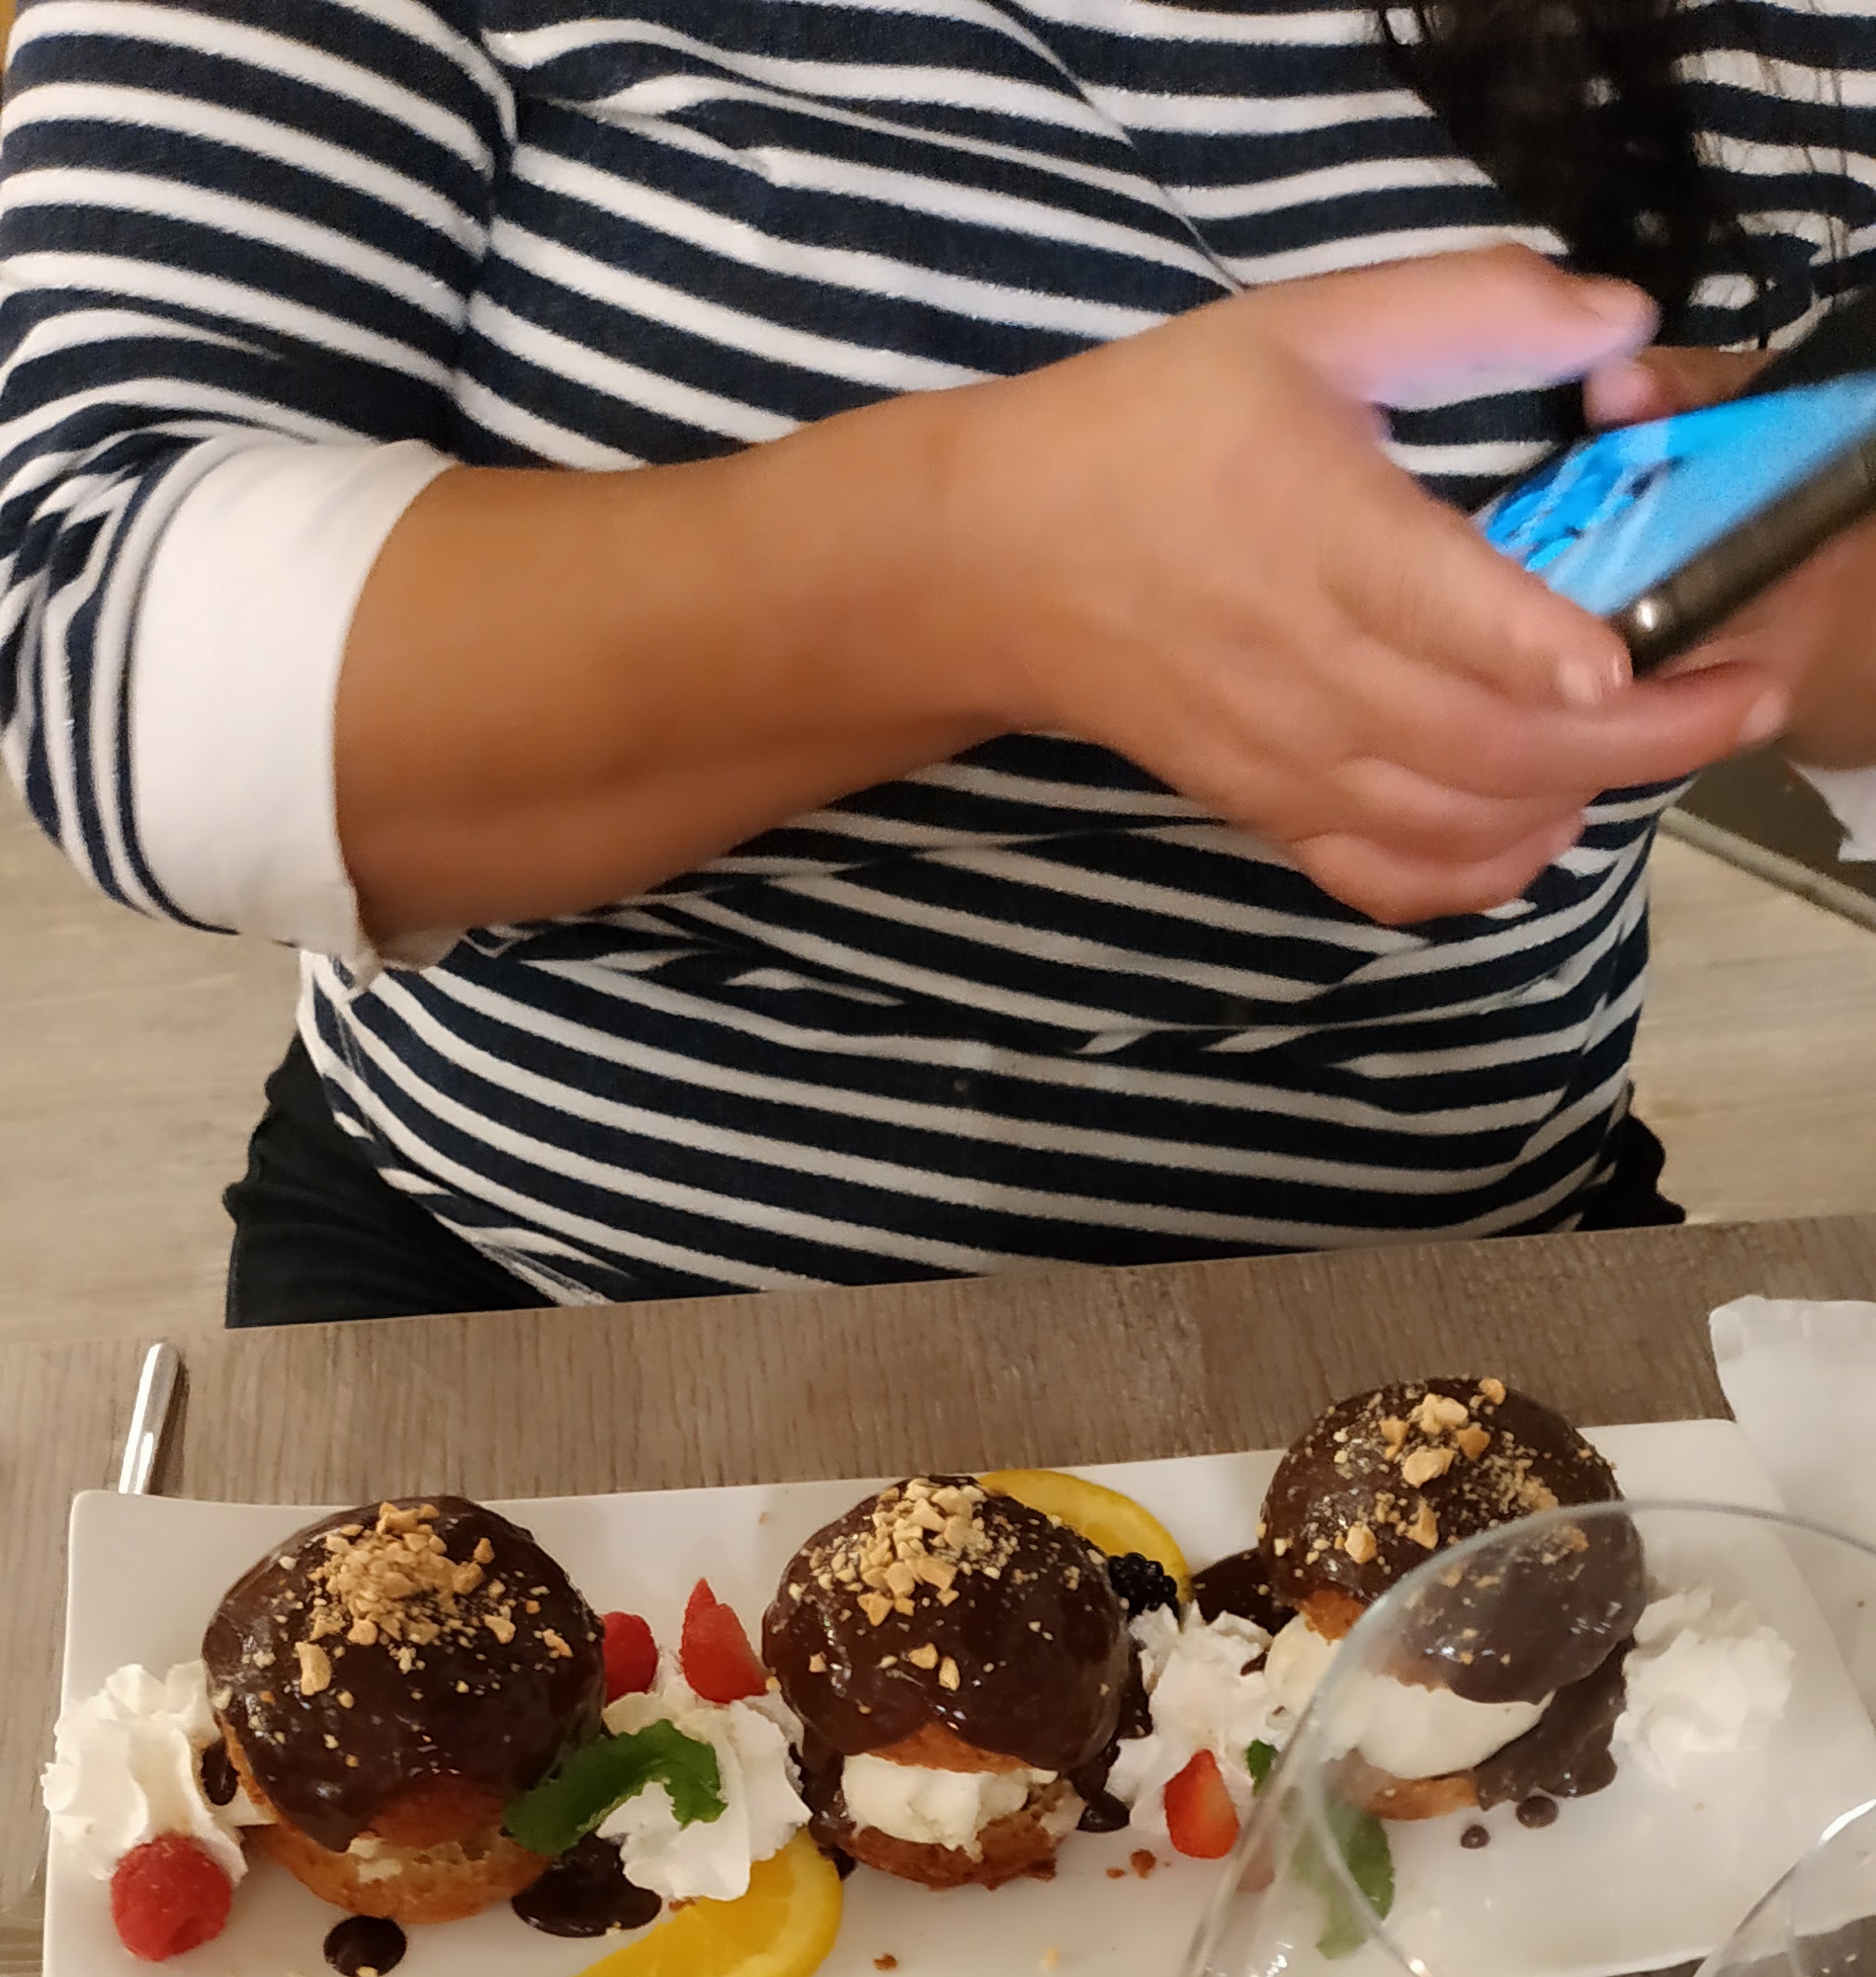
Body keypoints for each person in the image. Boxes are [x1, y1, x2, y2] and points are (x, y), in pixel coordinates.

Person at [0, 0, 1871, 1323]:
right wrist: (984, 560)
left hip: (1478, 1310)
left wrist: (1813, 609)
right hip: (526, 1296)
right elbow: (107, 647)